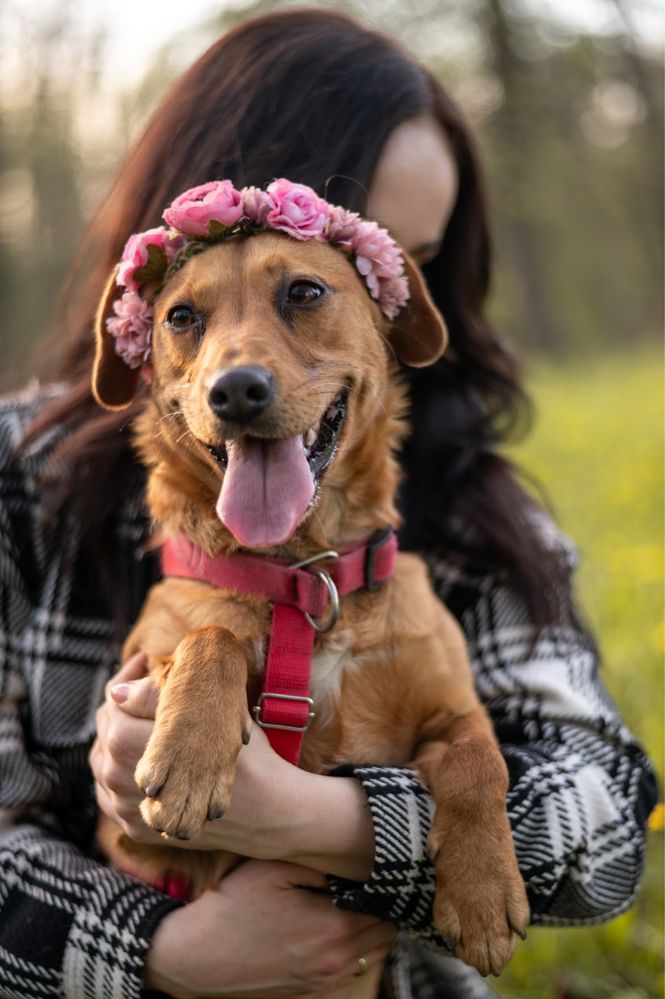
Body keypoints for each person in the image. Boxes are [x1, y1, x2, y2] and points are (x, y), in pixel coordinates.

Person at [0, 9, 656, 999]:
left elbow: (605, 823)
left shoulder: (469, 505)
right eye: (195, 315)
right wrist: (153, 953)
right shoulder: (20, 472)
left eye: (413, 261)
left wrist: (319, 818)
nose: (243, 368)